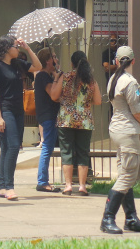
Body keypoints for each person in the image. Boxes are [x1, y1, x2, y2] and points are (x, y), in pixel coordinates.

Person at [101, 46, 140, 234]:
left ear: (115, 61)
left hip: (117, 129)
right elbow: (136, 111)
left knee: (125, 174)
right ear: (133, 61)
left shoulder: (113, 79)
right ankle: (107, 218)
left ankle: (131, 218)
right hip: (128, 131)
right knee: (128, 176)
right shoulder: (129, 82)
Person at [0, 36, 41, 201]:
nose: (17, 49)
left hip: (19, 111)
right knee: (12, 147)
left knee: (6, 148)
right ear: (5, 48)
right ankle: (9, 187)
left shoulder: (18, 64)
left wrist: (28, 48)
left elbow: (38, 66)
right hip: (6, 110)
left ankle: (1, 186)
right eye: (15, 46)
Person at [50, 50, 102, 196]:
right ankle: (82, 186)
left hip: (66, 119)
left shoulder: (65, 77)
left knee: (66, 152)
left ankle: (67, 185)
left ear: (72, 63)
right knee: (83, 153)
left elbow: (54, 96)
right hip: (85, 121)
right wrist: (85, 103)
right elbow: (98, 101)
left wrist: (56, 80)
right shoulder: (91, 80)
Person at [34, 47, 61, 193]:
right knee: (47, 148)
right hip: (48, 116)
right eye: (54, 57)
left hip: (49, 115)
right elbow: (53, 95)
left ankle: (43, 180)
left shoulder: (46, 76)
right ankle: (43, 181)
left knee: (48, 147)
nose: (56, 60)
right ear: (48, 60)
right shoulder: (43, 76)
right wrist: (57, 77)